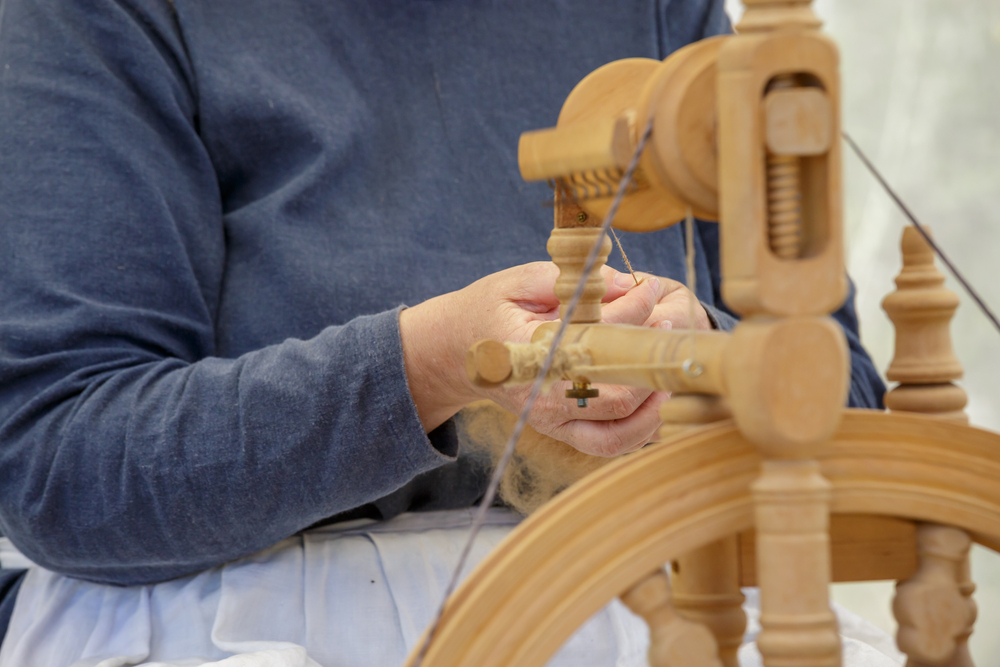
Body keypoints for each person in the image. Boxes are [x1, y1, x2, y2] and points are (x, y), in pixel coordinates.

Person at [0, 0, 888, 664]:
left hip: (658, 605)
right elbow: (62, 465)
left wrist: (701, 352)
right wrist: (428, 367)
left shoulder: (665, 13)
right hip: (252, 621)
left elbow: (851, 403)